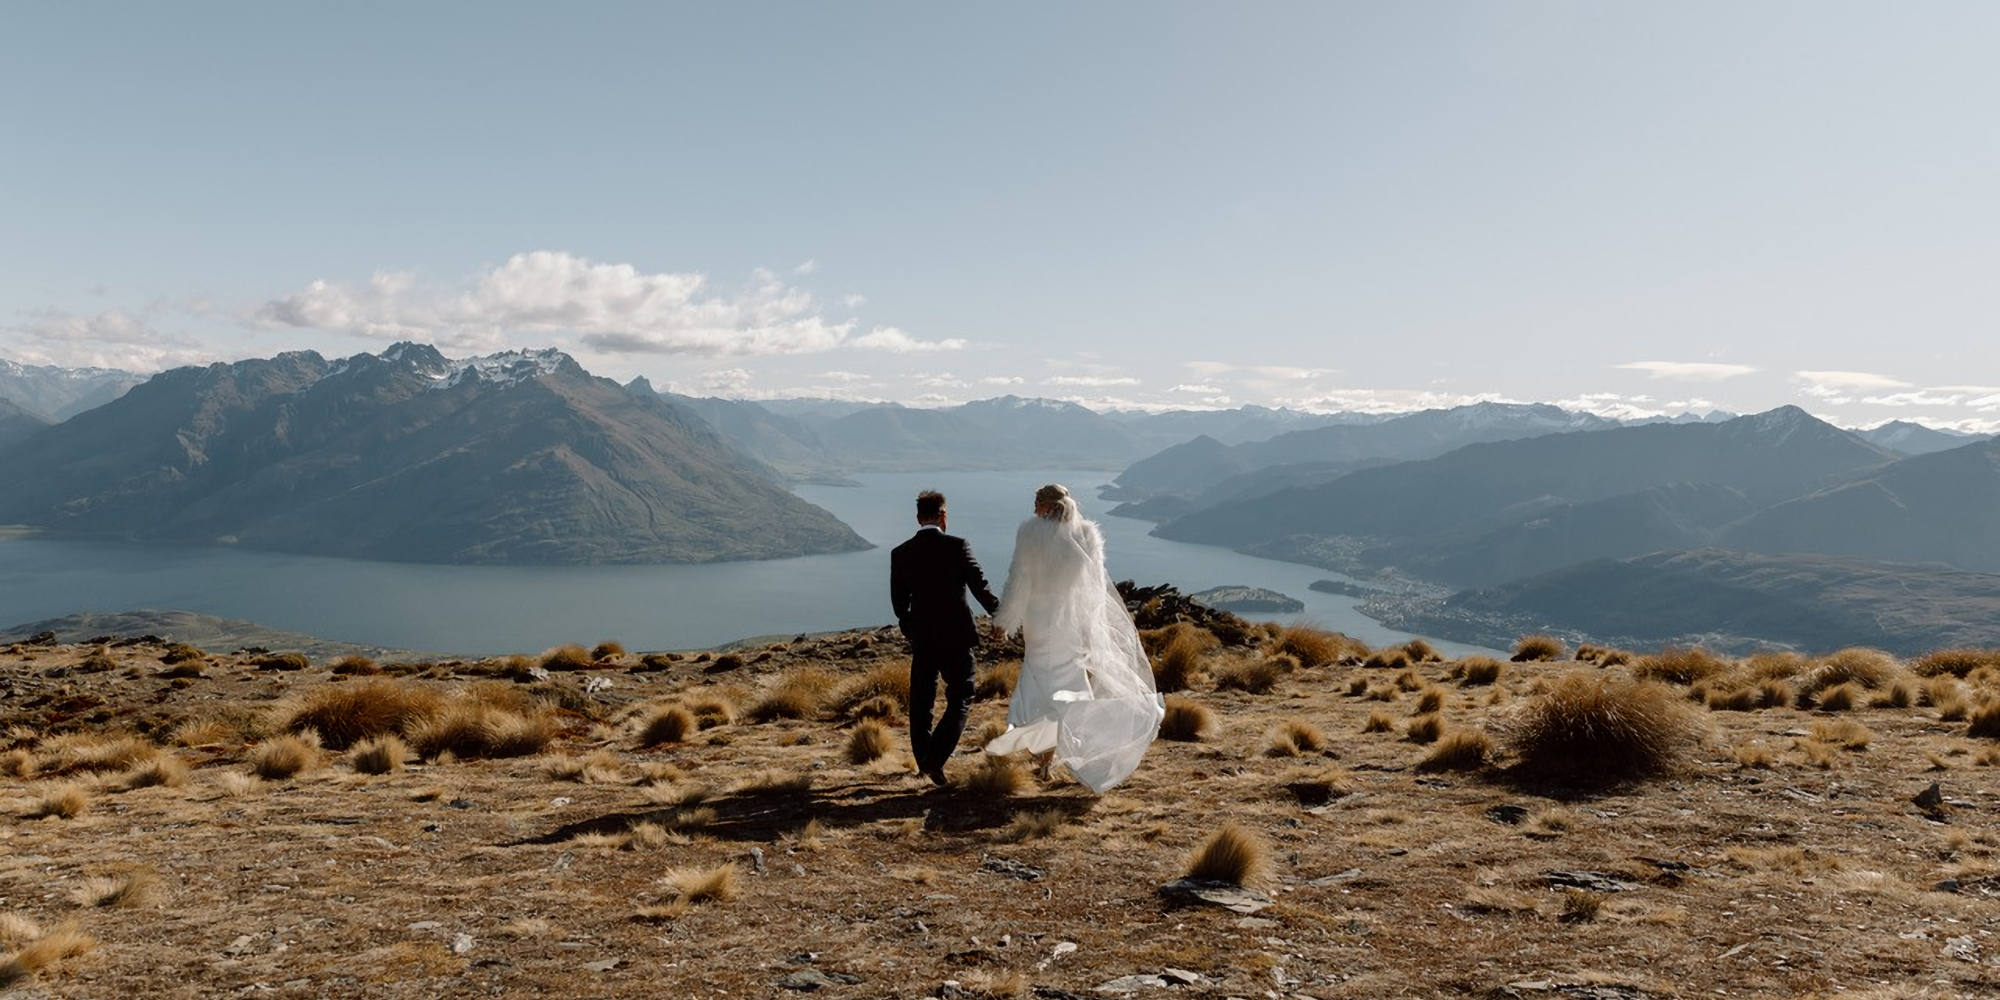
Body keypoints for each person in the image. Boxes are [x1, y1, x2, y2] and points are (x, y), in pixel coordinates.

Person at [986, 483, 1163, 793]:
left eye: (1037, 502)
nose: (1033, 509)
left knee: (1039, 684)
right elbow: (1094, 589)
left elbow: (1019, 581)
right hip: (1070, 624)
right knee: (1070, 685)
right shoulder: (1087, 535)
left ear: (1047, 506)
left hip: (1039, 624)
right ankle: (1065, 753)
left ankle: (1043, 758)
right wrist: (1091, 628)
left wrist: (1004, 622)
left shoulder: (1030, 534)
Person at [889, 490, 1001, 786]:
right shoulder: (957, 546)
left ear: (918, 518)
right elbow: (980, 586)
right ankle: (933, 761)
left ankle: (925, 761)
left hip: (923, 639)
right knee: (962, 695)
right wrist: (1002, 614)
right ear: (943, 516)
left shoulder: (901, 553)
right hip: (957, 637)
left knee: (921, 702)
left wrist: (912, 631)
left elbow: (899, 604)